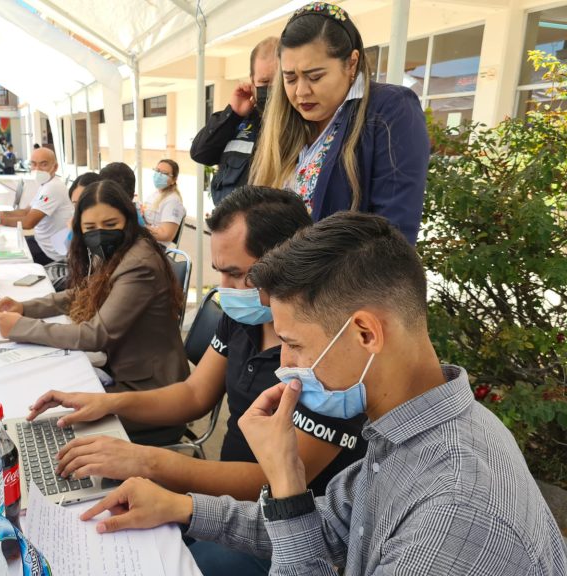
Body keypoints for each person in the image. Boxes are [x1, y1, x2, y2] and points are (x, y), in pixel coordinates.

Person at [80, 211, 567, 575]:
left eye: (293, 345)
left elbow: (305, 528)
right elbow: (329, 529)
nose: (285, 368)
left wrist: (287, 483)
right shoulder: (417, 426)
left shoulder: (457, 512)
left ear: (365, 334)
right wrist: (182, 507)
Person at [26, 187, 367, 575]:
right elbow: (194, 394)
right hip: (221, 500)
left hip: (285, 531)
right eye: (220, 270)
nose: (224, 287)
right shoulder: (245, 314)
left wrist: (149, 461)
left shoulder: (327, 353)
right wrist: (108, 403)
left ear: (285, 263)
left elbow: (275, 478)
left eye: (237, 274)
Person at [0, 180, 190, 446]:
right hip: (125, 375)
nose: (100, 234)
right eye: (90, 228)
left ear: (128, 220)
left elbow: (97, 335)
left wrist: (21, 327)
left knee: (49, 423)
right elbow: (80, 294)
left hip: (151, 393)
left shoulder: (138, 264)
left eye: (110, 225)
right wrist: (25, 307)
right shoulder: (118, 252)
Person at [250, 3, 429, 245]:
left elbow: (394, 236)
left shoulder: (391, 109)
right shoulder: (286, 123)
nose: (301, 91)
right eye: (289, 78)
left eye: (315, 76)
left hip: (348, 282)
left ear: (352, 63)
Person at [190, 37, 278, 206]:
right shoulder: (237, 120)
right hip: (230, 223)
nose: (272, 88)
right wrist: (234, 113)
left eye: (279, 81)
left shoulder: (299, 121)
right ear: (252, 81)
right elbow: (200, 153)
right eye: (265, 82)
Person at [0, 147, 71, 265]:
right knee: (5, 245)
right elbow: (26, 212)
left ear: (55, 167)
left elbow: (28, 222)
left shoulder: (53, 187)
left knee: (3, 257)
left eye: (43, 164)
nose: (37, 169)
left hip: (50, 252)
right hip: (40, 241)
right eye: (33, 164)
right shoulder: (45, 184)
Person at [144, 159, 186, 247]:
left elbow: (166, 235)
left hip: (155, 248)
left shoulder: (173, 201)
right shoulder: (155, 194)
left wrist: (141, 226)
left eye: (164, 173)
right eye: (157, 171)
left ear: (174, 179)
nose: (159, 175)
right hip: (145, 241)